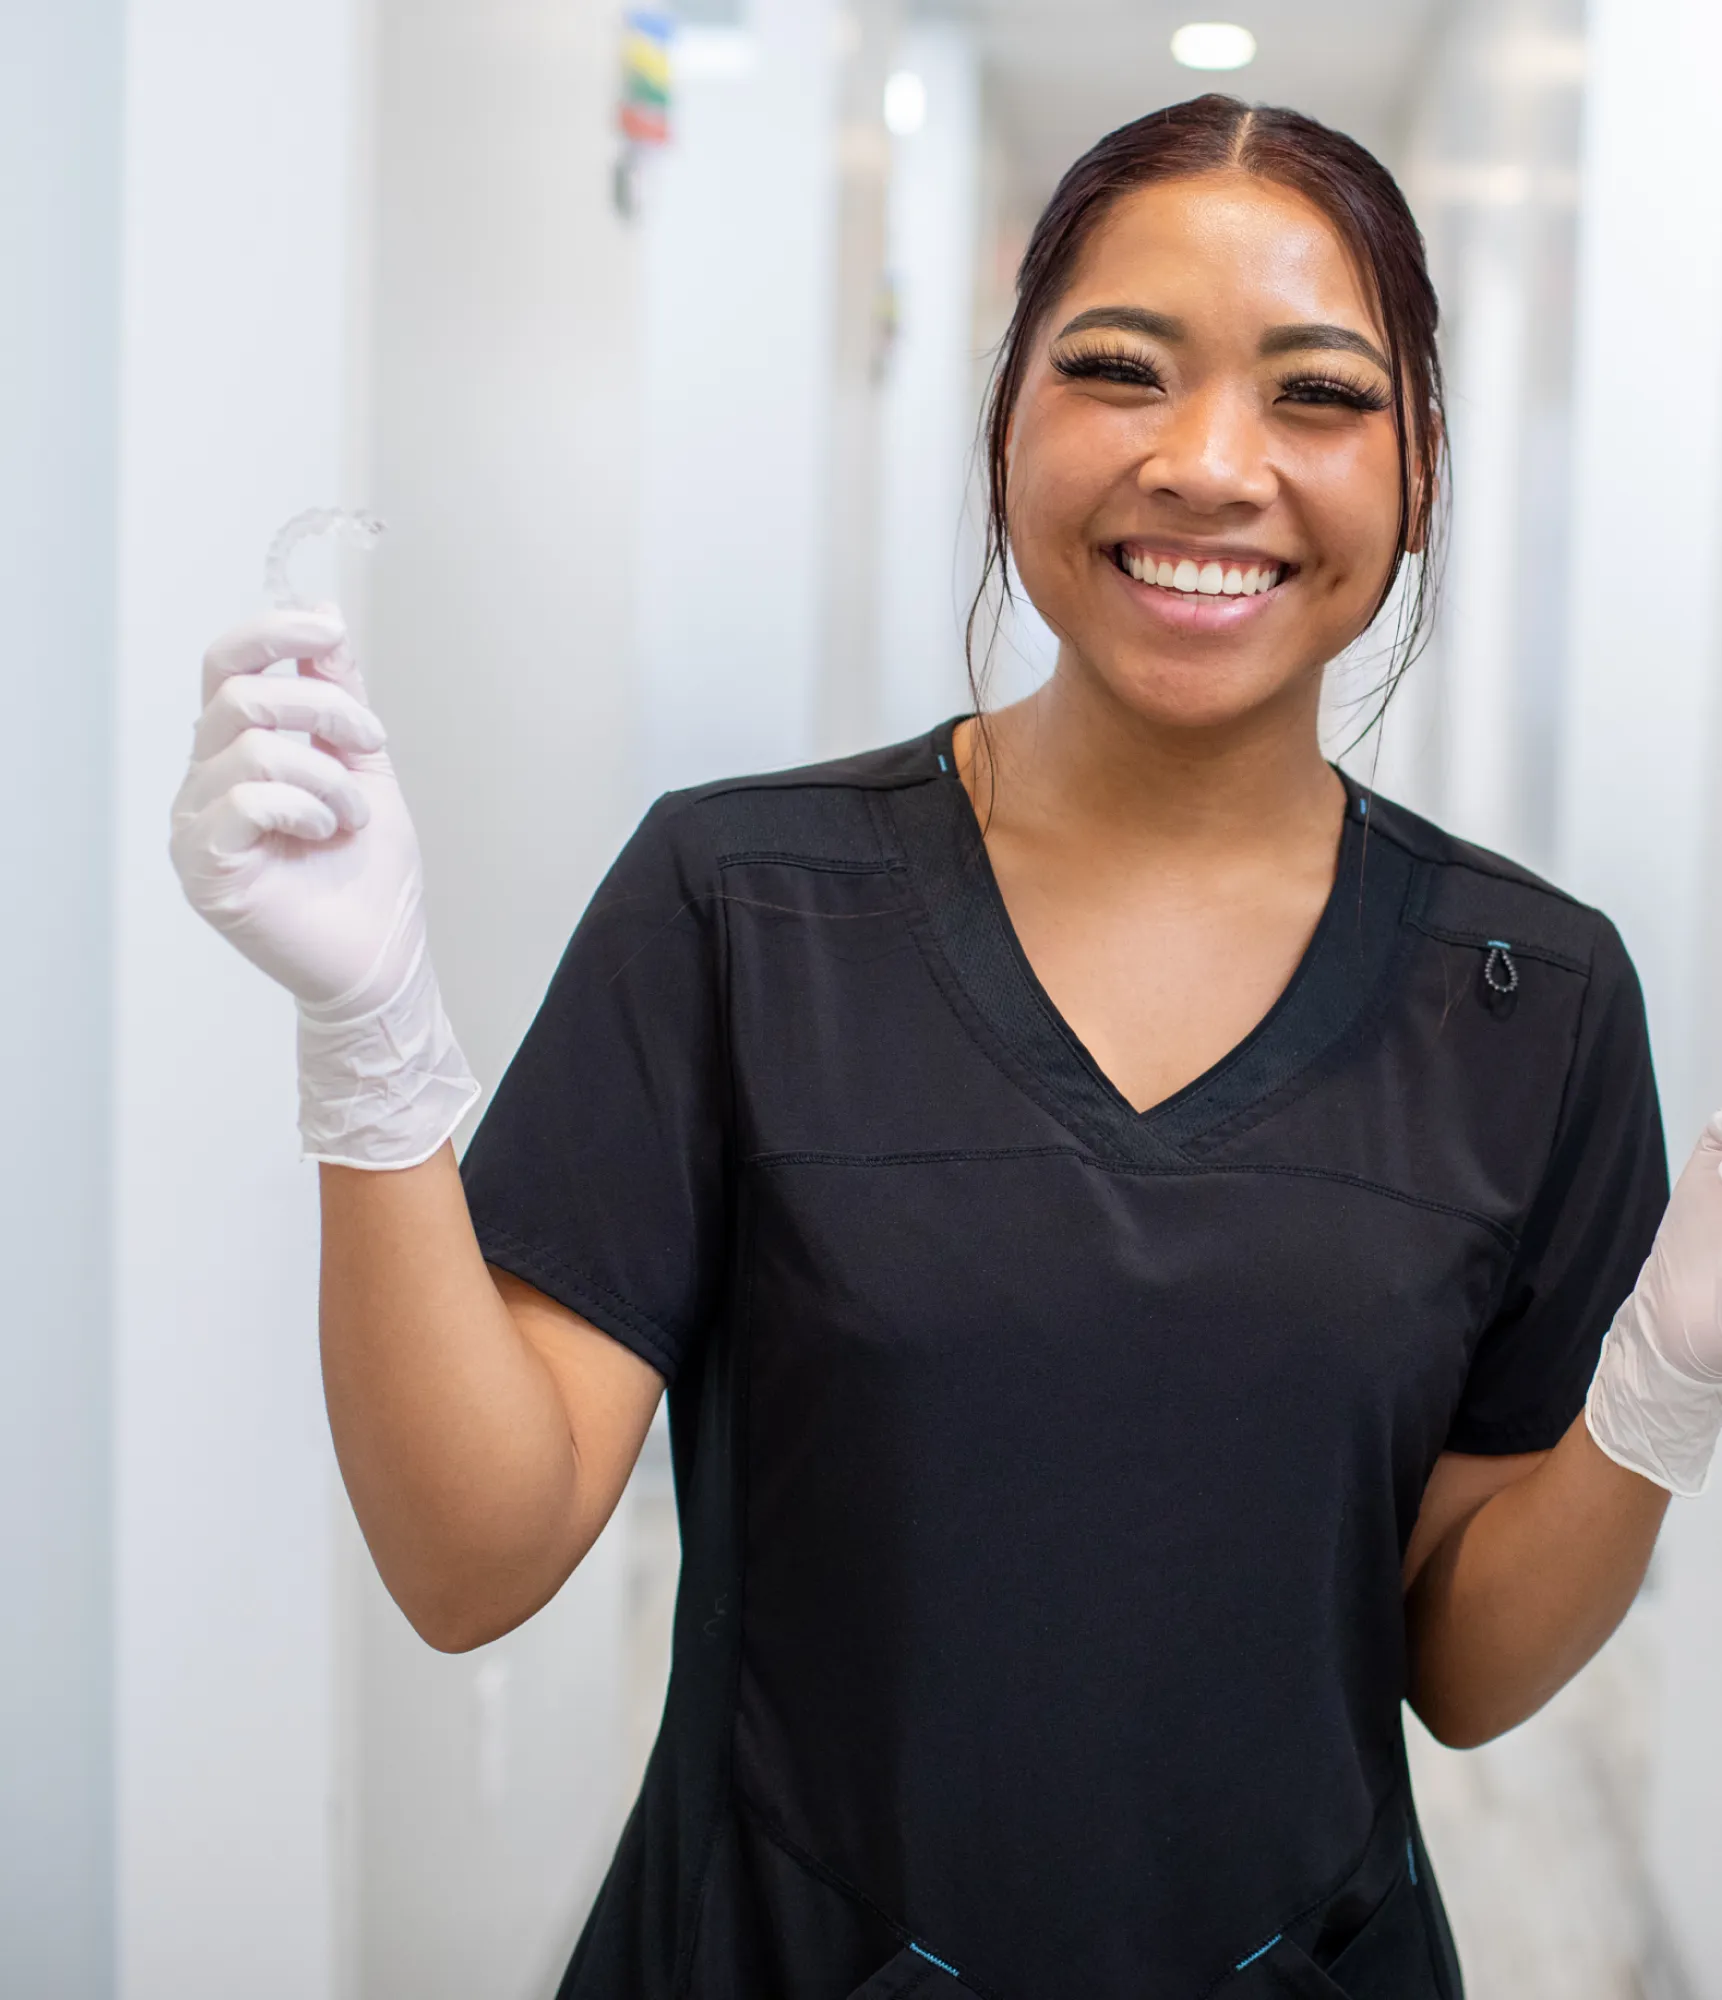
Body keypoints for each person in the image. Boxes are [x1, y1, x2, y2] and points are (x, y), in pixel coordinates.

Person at [169, 93, 1722, 2000]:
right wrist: (367, 1034)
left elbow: (1465, 1676)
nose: (1209, 463)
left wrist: (1661, 1380)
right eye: (1116, 369)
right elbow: (466, 1561)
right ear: (1007, 420)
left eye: (1316, 394)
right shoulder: (742, 905)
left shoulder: (1529, 998)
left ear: (1419, 472)